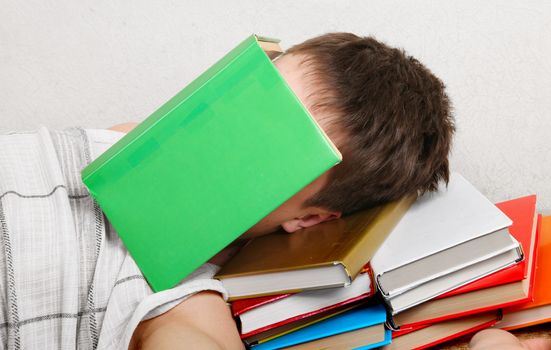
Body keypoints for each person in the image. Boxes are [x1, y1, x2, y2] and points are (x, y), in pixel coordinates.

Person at [0, 32, 454, 349]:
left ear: (310, 217)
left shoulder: (181, 301)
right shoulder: (134, 141)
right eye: (253, 96)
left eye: (275, 148)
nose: (223, 137)